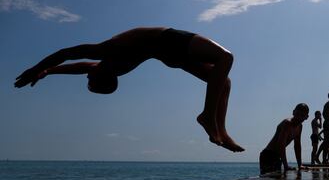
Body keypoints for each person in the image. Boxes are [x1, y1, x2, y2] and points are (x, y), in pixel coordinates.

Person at [14, 27, 244, 152]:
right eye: (89, 80)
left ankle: (219, 129)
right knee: (225, 59)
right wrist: (44, 70)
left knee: (224, 81)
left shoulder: (107, 53)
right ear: (103, 77)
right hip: (167, 46)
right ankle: (209, 120)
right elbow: (76, 64)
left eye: (88, 80)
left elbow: (70, 55)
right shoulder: (111, 64)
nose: (87, 75)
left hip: (166, 45)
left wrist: (41, 70)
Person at [259, 103, 309, 174]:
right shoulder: (287, 123)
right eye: (297, 114)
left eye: (302, 116)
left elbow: (297, 146)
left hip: (277, 156)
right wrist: (286, 165)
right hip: (268, 155)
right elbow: (281, 145)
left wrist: (300, 164)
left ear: (306, 117)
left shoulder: (300, 127)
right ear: (293, 112)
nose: (299, 118)